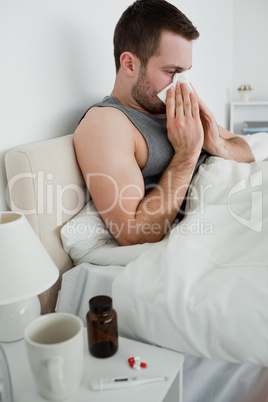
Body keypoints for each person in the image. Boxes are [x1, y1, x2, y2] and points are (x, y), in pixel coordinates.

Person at [74, 0, 254, 246]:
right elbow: (133, 233)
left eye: (184, 72)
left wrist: (217, 144)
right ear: (129, 64)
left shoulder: (171, 106)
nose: (180, 84)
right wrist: (187, 153)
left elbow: (246, 151)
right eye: (171, 72)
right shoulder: (107, 123)